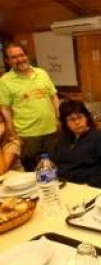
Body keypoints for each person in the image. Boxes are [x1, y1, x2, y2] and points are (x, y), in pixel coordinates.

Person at [0, 42, 60, 171]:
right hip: (27, 135)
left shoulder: (42, 73)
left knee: (55, 168)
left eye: (21, 55)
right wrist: (11, 131)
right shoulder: (5, 81)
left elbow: (53, 97)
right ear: (7, 60)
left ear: (27, 55)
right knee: (34, 173)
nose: (20, 59)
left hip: (51, 131)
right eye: (14, 57)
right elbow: (5, 108)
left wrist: (58, 118)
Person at [50, 100, 101, 189]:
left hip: (88, 186)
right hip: (62, 185)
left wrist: (90, 184)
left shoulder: (99, 137)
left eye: (80, 117)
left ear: (86, 117)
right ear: (66, 123)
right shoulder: (62, 139)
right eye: (72, 119)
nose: (77, 122)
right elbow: (51, 163)